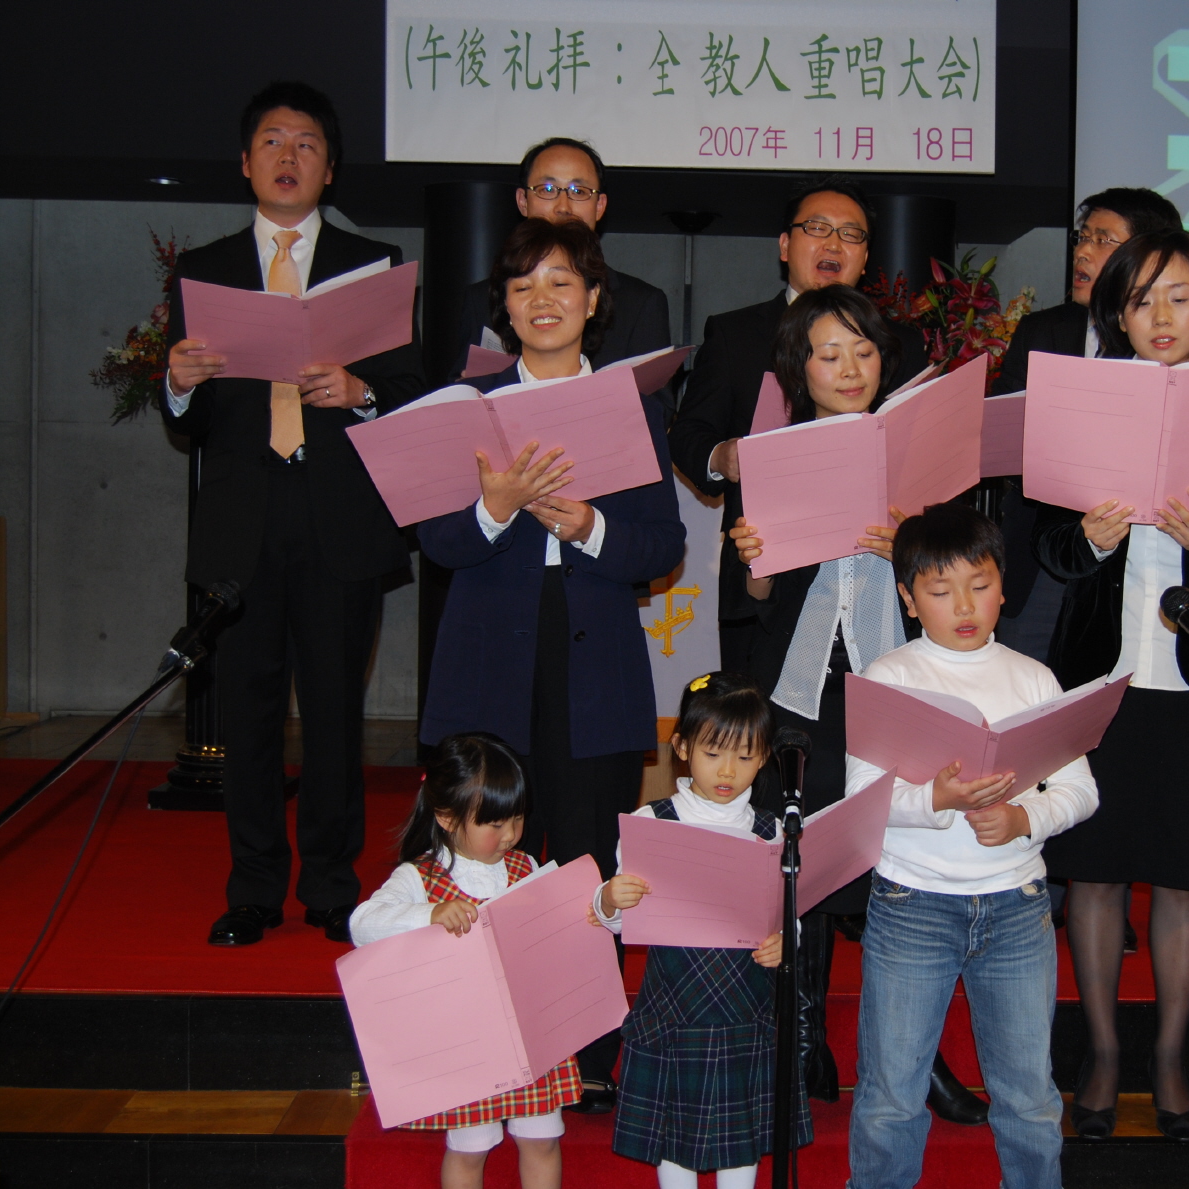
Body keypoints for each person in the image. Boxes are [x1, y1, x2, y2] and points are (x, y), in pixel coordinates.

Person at [416, 217, 685, 1111]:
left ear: (594, 300)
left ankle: (590, 1046)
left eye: (562, 282)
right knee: (482, 853)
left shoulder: (632, 409)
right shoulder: (464, 405)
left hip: (592, 657)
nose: (543, 300)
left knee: (581, 857)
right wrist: (495, 508)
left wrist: (591, 526)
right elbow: (438, 542)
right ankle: (481, 1041)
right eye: (524, 284)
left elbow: (664, 543)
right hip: (489, 654)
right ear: (504, 305)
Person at [1034, 230, 1189, 1141]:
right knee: (1095, 873)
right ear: (1117, 315)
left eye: (1179, 296)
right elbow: (1049, 550)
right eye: (1140, 300)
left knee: (1184, 878)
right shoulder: (1085, 404)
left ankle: (1173, 1054)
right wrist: (1091, 537)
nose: (1162, 316)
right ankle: (1104, 1051)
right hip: (1101, 678)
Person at [162, 81, 423, 948]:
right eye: (272, 141)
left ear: (330, 167)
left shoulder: (372, 262)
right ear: (246, 162)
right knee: (248, 714)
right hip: (243, 522)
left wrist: (361, 390)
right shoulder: (204, 269)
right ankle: (253, 888)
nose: (288, 156)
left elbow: (412, 387)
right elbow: (191, 421)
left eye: (306, 143)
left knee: (336, 713)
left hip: (337, 516)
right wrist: (178, 384)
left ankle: (331, 884)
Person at [727, 286, 986, 1124]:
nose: (848, 368)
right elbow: (751, 599)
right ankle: (802, 1038)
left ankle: (913, 1054)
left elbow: (969, 587)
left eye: (864, 351)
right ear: (799, 366)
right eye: (828, 353)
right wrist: (755, 560)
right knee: (802, 863)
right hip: (801, 689)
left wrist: (911, 542)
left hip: (894, 682)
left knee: (898, 866)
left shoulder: (921, 458)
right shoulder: (774, 455)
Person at [842, 502, 1100, 1189]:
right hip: (913, 904)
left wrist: (1024, 818)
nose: (963, 605)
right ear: (907, 598)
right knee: (891, 1096)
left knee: (1030, 1098)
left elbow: (1080, 790)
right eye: (939, 590)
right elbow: (864, 802)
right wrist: (936, 799)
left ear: (1003, 587)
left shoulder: (1032, 677)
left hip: (1017, 905)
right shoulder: (889, 677)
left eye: (979, 585)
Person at [668, 176, 928, 674]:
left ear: (865, 258)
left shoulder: (900, 343)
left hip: (882, 577)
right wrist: (724, 457)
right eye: (818, 228)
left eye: (850, 234)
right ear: (786, 246)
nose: (834, 243)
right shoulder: (737, 333)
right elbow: (688, 434)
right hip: (766, 580)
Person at [590, 672, 810, 1189]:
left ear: (765, 758)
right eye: (713, 753)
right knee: (675, 1140)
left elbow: (787, 914)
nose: (728, 770)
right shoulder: (653, 821)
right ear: (683, 748)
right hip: (676, 1007)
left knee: (741, 1140)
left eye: (745, 756)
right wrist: (609, 899)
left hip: (744, 1008)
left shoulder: (772, 830)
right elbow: (617, 921)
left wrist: (786, 941)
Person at [350, 733, 578, 1189]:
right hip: (468, 1044)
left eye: (518, 818)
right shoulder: (420, 876)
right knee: (470, 1149)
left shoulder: (525, 867)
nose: (510, 834)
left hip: (528, 1035)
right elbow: (362, 925)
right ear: (447, 817)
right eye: (495, 823)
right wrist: (429, 914)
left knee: (542, 1140)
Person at [992, 188, 1186, 667]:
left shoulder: (1180, 349)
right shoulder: (1042, 331)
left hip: (1133, 561)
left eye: (1103, 240)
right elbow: (1000, 440)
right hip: (1042, 556)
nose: (1082, 251)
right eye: (1083, 237)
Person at [449, 137, 671, 388]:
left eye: (579, 191)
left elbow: (655, 402)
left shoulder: (642, 303)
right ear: (522, 201)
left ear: (600, 206)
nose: (563, 207)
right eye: (547, 189)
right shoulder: (482, 297)